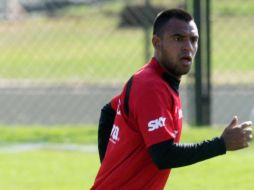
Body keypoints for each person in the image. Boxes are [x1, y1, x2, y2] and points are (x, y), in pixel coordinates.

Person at [91, 9, 253, 189]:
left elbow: (109, 110)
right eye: (178, 38)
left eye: (193, 40)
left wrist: (113, 170)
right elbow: (164, 154)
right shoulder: (150, 86)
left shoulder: (153, 81)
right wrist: (221, 144)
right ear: (156, 43)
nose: (188, 47)